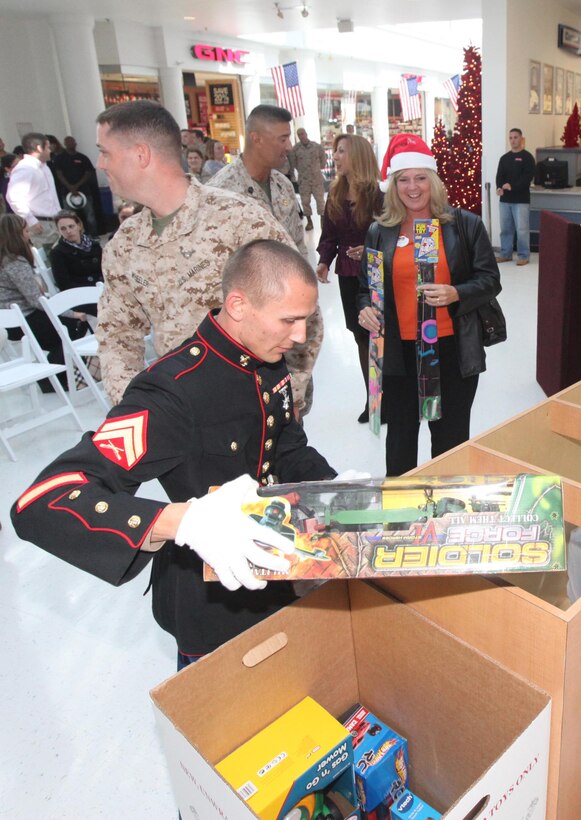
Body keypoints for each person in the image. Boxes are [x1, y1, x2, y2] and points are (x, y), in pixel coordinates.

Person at [11, 239, 338, 669]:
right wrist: (182, 520)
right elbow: (40, 502)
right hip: (215, 606)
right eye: (290, 321)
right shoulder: (172, 391)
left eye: (307, 320)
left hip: (280, 574)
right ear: (238, 305)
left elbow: (284, 443)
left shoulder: (265, 356)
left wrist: (334, 491)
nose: (299, 337)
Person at [93, 100, 300, 407]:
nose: (100, 164)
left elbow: (299, 310)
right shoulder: (125, 244)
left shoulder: (238, 220)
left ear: (141, 155)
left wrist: (289, 397)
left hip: (254, 407)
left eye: (105, 151)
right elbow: (117, 335)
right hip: (180, 414)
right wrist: (135, 410)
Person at [357, 135, 501, 476]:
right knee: (402, 439)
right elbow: (366, 288)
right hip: (397, 354)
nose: (412, 187)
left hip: (450, 349)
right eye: (403, 179)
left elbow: (490, 280)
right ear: (392, 185)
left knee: (449, 441)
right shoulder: (380, 231)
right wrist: (365, 308)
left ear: (433, 181)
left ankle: (447, 513)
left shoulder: (464, 225)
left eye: (421, 177)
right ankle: (401, 513)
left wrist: (456, 293)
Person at [209, 104, 323, 417]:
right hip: (249, 339)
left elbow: (300, 253)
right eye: (282, 138)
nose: (289, 146)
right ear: (257, 138)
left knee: (292, 424)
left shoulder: (283, 185)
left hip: (289, 335)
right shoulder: (218, 194)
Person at [315, 133, 383, 423]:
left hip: (376, 275)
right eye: (336, 151)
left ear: (358, 155)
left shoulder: (380, 197)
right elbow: (329, 235)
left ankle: (384, 397)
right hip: (347, 275)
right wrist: (323, 261)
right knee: (360, 338)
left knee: (377, 336)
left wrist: (368, 249)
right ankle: (374, 399)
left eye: (341, 151)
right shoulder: (335, 194)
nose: (337, 156)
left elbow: (391, 235)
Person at [0, 213, 70, 386]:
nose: (28, 234)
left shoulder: (7, 260)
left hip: (18, 318)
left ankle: (61, 377)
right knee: (68, 327)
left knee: (66, 325)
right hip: (21, 320)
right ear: (16, 234)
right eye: (25, 231)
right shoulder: (14, 262)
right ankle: (51, 381)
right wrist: (67, 311)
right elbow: (34, 300)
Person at [5, 132, 61, 252]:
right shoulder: (25, 168)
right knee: (47, 262)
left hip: (54, 222)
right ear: (39, 148)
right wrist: (31, 221)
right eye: (48, 147)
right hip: (41, 224)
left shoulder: (43, 166)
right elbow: (14, 197)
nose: (50, 150)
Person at [49, 210, 103, 317]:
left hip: (103, 289)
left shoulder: (94, 245)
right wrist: (92, 291)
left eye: (71, 226)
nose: (68, 231)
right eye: (63, 229)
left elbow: (106, 269)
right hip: (81, 297)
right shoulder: (58, 253)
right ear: (59, 231)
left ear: (78, 226)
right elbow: (64, 284)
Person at [494, 128, 535, 267]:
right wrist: (499, 187)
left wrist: (512, 186)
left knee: (522, 229)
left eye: (515, 137)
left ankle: (523, 255)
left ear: (521, 139)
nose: (513, 140)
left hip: (521, 200)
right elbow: (499, 176)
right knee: (505, 229)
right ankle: (505, 254)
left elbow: (527, 178)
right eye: (510, 138)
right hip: (505, 200)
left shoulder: (527, 157)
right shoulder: (504, 158)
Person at [51, 136, 102, 235]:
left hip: (84, 192)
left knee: (90, 216)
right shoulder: (60, 158)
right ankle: (74, 236)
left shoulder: (82, 157)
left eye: (72, 142)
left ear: (75, 143)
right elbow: (59, 174)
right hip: (67, 193)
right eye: (68, 142)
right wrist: (70, 187)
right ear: (65, 144)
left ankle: (94, 236)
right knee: (68, 217)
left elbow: (88, 172)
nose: (71, 144)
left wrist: (77, 186)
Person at [289, 127, 327, 232]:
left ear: (306, 134)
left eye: (302, 133)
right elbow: (293, 163)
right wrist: (294, 176)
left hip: (316, 179)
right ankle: (309, 221)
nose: (301, 136)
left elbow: (323, 157)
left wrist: (321, 167)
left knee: (320, 201)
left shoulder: (316, 146)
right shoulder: (295, 149)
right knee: (305, 202)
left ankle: (323, 221)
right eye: (299, 134)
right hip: (304, 180)